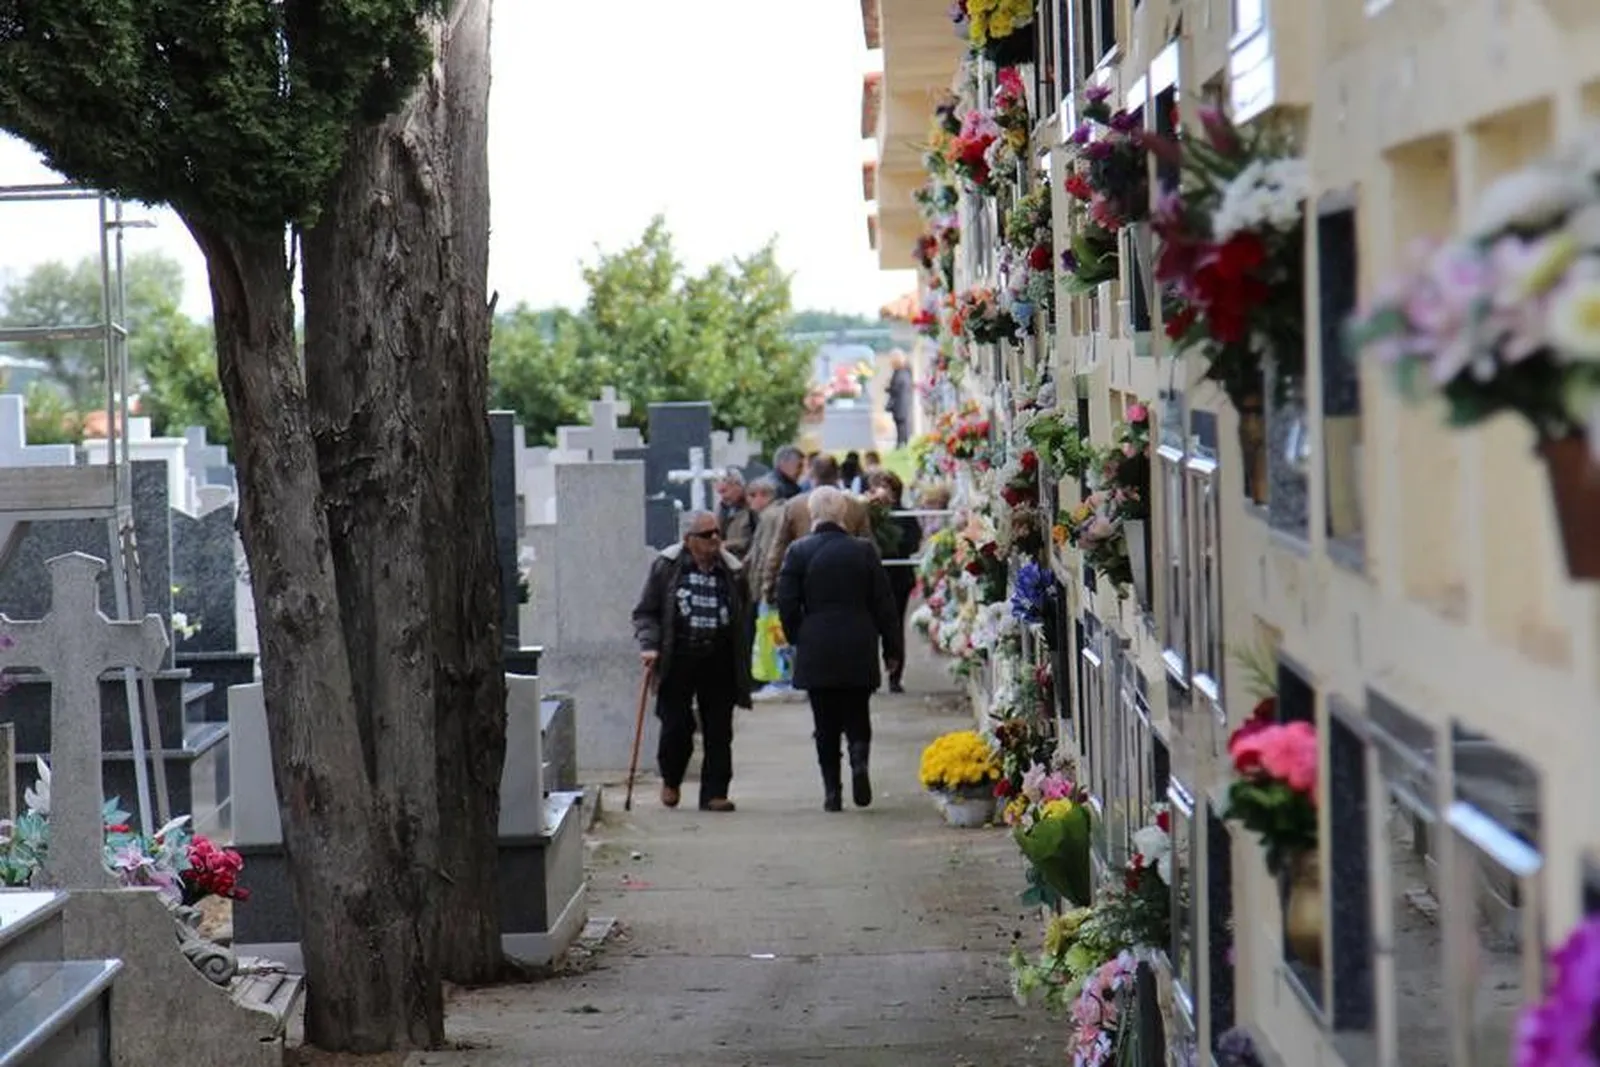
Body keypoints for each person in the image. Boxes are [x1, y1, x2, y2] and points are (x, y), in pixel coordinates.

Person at [776, 486, 903, 812]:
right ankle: (859, 760)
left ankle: (832, 790)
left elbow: (787, 602)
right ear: (843, 514)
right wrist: (892, 648)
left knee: (824, 722)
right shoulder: (863, 551)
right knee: (857, 711)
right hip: (858, 640)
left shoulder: (798, 552)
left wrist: (797, 637)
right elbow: (884, 603)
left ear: (813, 513)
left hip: (817, 641)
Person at [630, 511, 752, 813]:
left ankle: (715, 792)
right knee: (676, 725)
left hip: (719, 657)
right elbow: (646, 611)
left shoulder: (732, 570)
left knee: (719, 728)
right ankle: (671, 778)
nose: (715, 539)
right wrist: (649, 646)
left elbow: (743, 608)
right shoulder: (668, 567)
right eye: (707, 535)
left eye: (717, 534)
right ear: (689, 540)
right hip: (679, 656)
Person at [762, 453, 872, 604]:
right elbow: (869, 547)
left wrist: (769, 587)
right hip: (847, 580)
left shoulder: (794, 506)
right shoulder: (855, 506)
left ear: (811, 473)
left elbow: (778, 548)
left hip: (806, 580)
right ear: (837, 474)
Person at [867, 470, 922, 693]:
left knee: (894, 627)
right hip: (876, 577)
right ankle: (873, 675)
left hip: (897, 578)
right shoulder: (868, 515)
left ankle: (894, 675)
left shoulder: (904, 516)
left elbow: (913, 543)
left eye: (886, 487)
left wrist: (893, 546)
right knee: (872, 628)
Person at [715, 469, 757, 559]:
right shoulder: (723, 509)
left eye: (724, 491)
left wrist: (728, 545)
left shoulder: (754, 506)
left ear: (737, 485)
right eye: (720, 493)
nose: (723, 497)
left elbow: (759, 539)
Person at [885, 352, 914, 447]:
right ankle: (901, 442)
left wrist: (888, 388)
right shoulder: (905, 371)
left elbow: (897, 387)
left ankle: (901, 443)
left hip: (900, 402)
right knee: (900, 423)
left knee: (901, 423)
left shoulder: (901, 373)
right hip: (902, 401)